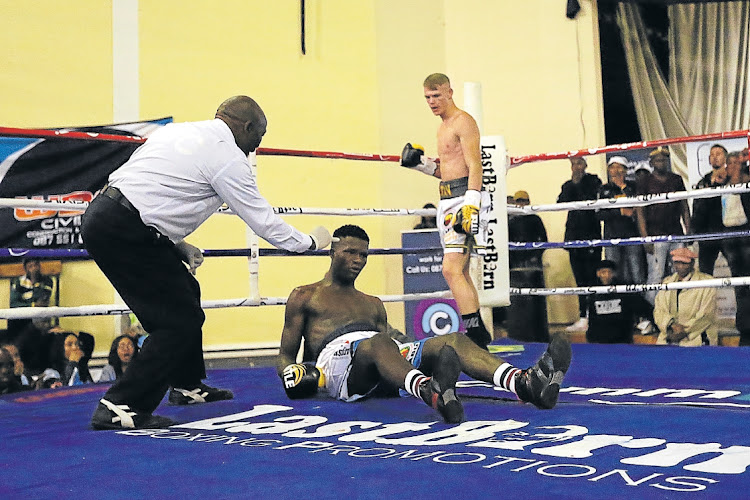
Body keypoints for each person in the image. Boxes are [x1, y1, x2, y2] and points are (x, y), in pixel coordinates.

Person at [83, 95, 334, 430]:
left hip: (112, 216)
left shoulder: (179, 133)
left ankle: (187, 386)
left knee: (186, 289)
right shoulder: (228, 157)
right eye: (258, 137)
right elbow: (262, 221)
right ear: (246, 127)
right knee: (176, 321)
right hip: (124, 228)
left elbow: (143, 186)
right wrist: (309, 243)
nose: (256, 147)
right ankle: (120, 405)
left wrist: (172, 243)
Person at [277, 225, 572, 423]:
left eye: (363, 254)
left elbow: (391, 347)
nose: (357, 260)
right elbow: (285, 356)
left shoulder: (372, 302)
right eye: (350, 252)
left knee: (451, 340)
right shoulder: (306, 295)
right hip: (337, 367)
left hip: (379, 359)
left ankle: (525, 383)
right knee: (379, 344)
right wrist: (293, 373)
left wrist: (423, 352)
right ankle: (430, 392)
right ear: (332, 251)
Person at [399, 73, 492, 349]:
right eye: (427, 97)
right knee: (459, 271)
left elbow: (476, 166)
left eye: (436, 95)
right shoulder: (442, 128)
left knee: (450, 270)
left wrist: (471, 205)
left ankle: (475, 333)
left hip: (465, 198)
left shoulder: (463, 121)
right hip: (448, 199)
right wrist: (422, 165)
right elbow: (447, 171)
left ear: (450, 92)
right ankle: (479, 337)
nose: (432, 102)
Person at [635, 147, 691, 305]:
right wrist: (645, 237)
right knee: (656, 274)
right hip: (655, 234)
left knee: (678, 273)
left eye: (664, 159)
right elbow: (640, 211)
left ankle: (678, 310)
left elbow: (684, 205)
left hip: (676, 232)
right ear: (651, 162)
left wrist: (688, 231)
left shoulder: (676, 179)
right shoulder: (644, 182)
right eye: (658, 159)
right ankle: (652, 315)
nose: (661, 162)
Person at [558, 157, 602, 332]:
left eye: (579, 163)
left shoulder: (594, 180)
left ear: (585, 165)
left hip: (591, 235)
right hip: (573, 237)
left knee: (592, 277)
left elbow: (591, 199)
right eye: (574, 164)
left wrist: (579, 182)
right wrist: (574, 183)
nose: (576, 167)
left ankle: (594, 315)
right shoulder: (568, 185)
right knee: (580, 279)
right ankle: (583, 316)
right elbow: (560, 203)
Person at [506, 190, 549, 342]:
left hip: (534, 267)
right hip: (515, 269)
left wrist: (534, 258)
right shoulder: (508, 222)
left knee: (537, 303)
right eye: (519, 200)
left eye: (524, 200)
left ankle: (541, 337)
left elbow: (544, 241)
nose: (521, 204)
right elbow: (505, 245)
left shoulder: (535, 219)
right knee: (517, 304)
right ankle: (518, 336)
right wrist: (512, 263)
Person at [653, 248, 717, 346]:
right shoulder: (667, 283)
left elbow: (706, 315)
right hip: (669, 337)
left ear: (692, 263)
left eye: (684, 263)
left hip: (697, 338)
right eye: (677, 263)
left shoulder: (707, 282)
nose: (680, 267)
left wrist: (684, 330)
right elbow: (658, 311)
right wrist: (670, 325)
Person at [598, 156, 645, 285]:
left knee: (637, 272)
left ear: (625, 170)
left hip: (632, 235)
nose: (615, 170)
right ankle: (618, 302)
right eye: (612, 167)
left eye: (619, 167)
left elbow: (643, 207)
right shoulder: (603, 190)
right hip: (612, 236)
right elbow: (599, 214)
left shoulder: (633, 187)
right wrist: (620, 212)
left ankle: (639, 303)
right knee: (614, 273)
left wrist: (635, 211)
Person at [720, 151, 750, 346]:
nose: (733, 166)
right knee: (740, 284)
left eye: (736, 163)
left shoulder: (746, 181)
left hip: (746, 233)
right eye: (730, 163)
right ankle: (745, 329)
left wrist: (741, 171)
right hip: (729, 235)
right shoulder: (719, 184)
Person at [586, 260, 651, 344]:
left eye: (610, 272)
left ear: (614, 273)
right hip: (599, 342)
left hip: (622, 340)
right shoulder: (592, 292)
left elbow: (644, 307)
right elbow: (592, 319)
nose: (607, 275)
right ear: (598, 274)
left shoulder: (623, 290)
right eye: (603, 272)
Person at [692, 145, 728, 276]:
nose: (715, 157)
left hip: (728, 232)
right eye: (712, 155)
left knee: (740, 271)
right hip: (707, 233)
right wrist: (695, 232)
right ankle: (706, 297)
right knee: (704, 274)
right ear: (708, 159)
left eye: (718, 154)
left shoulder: (732, 180)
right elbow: (696, 208)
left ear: (725, 158)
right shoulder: (703, 182)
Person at [6, 257, 55, 338]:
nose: (34, 269)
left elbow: (41, 300)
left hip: (39, 317)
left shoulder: (47, 281)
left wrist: (34, 280)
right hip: (22, 317)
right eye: (30, 266)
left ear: (39, 266)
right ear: (25, 268)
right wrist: (31, 305)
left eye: (36, 265)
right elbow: (14, 304)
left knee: (39, 319)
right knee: (14, 318)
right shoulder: (18, 282)